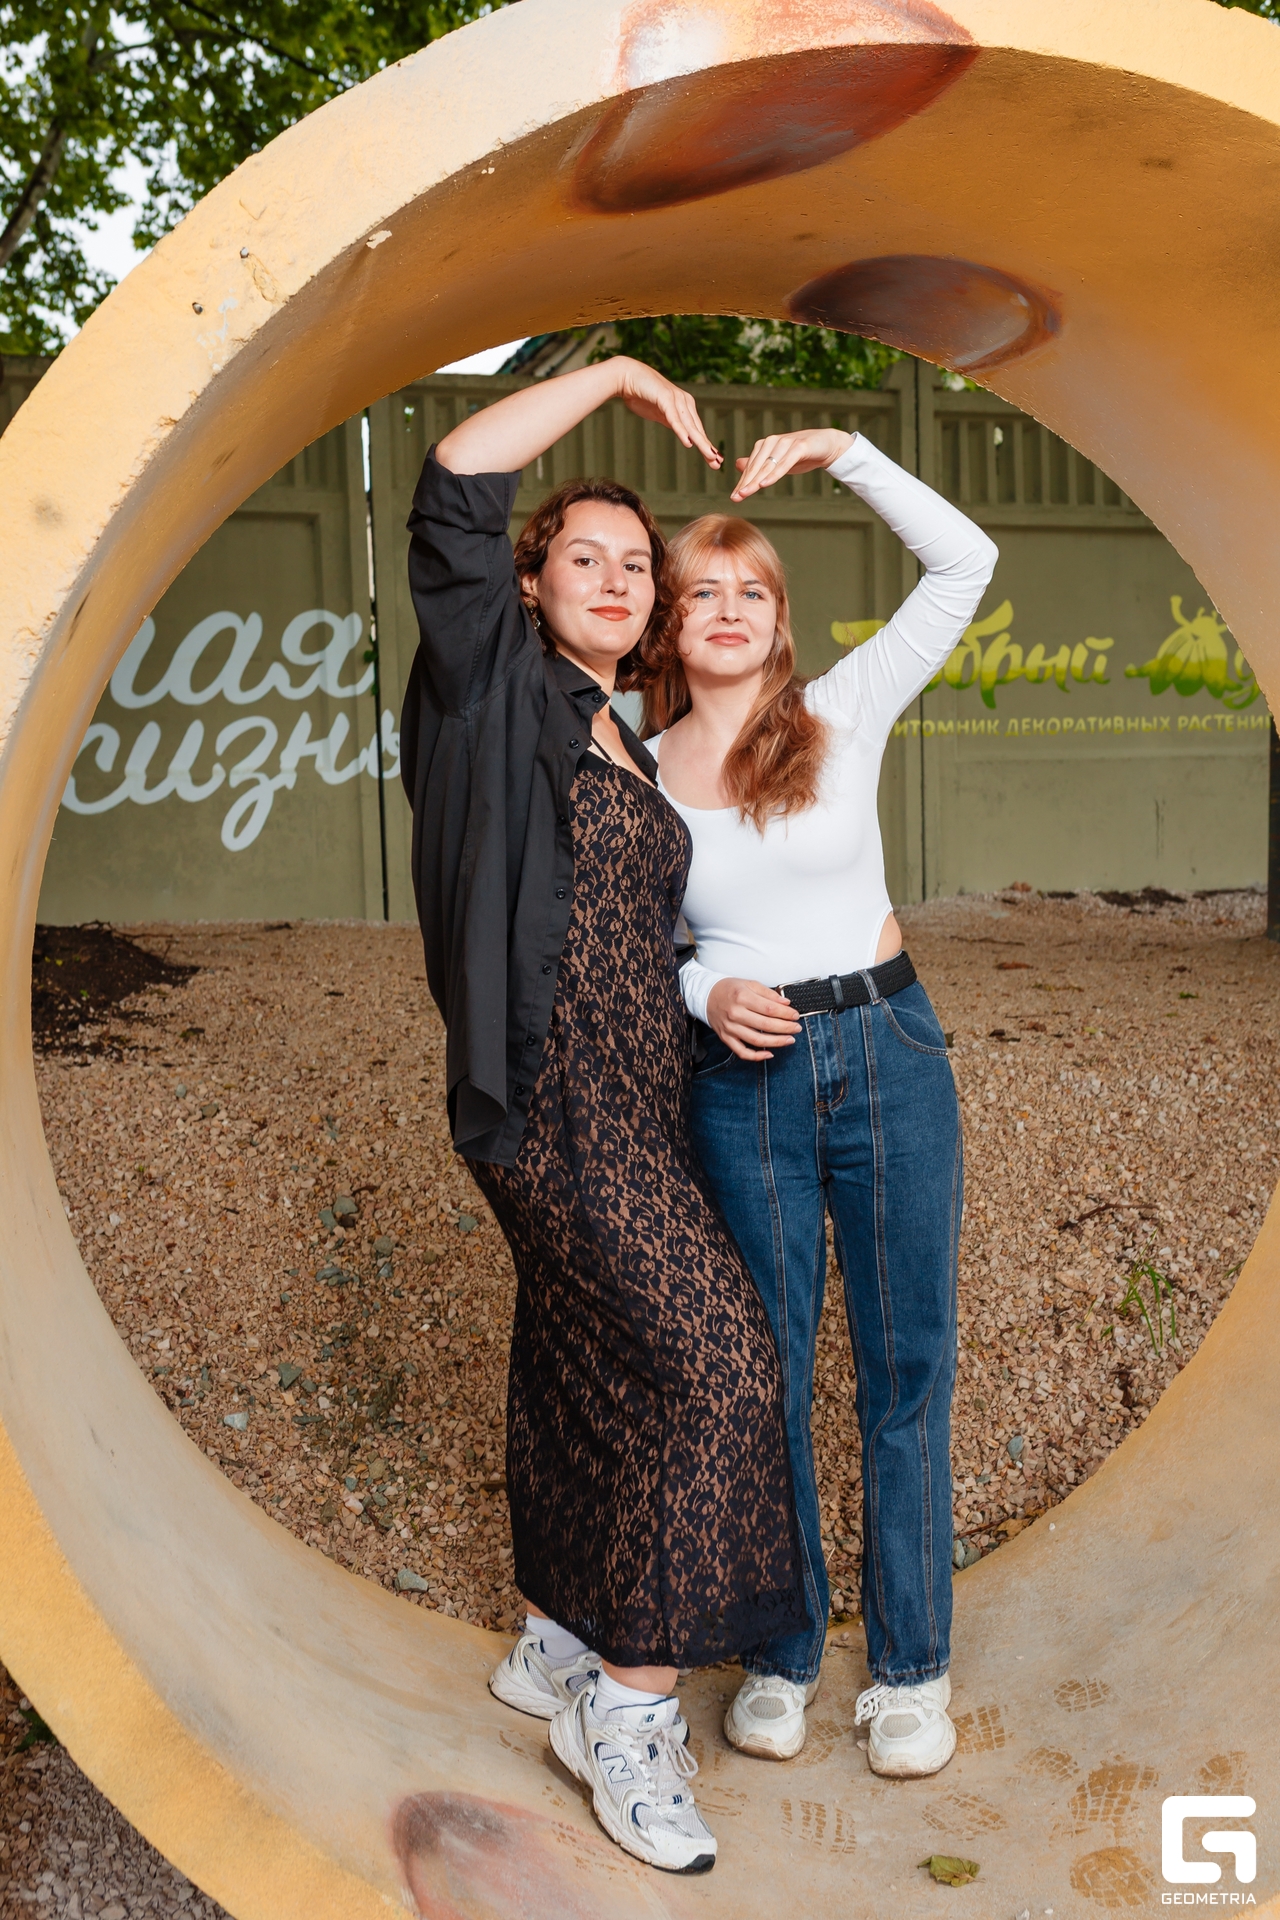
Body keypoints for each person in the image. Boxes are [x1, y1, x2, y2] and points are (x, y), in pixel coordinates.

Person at [399, 358, 809, 1875]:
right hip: (555, 1102)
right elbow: (455, 479)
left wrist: (712, 994)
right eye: (589, 556)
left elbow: (648, 932)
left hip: (642, 1103)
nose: (623, 580)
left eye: (641, 564)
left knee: (589, 1367)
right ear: (528, 582)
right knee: (719, 1365)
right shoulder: (490, 683)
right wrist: (622, 373)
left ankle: (557, 1639)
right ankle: (625, 1719)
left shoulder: (624, 728)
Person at [645, 422, 997, 1779]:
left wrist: (846, 450)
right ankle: (784, 1652)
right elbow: (631, 944)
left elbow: (965, 562)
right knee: (766, 1373)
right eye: (702, 590)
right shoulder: (636, 766)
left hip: (888, 1051)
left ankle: (910, 1671)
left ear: (781, 620)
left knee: (907, 1369)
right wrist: (703, 994)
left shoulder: (844, 712)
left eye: (754, 589)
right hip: (749, 1083)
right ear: (670, 625)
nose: (729, 609)